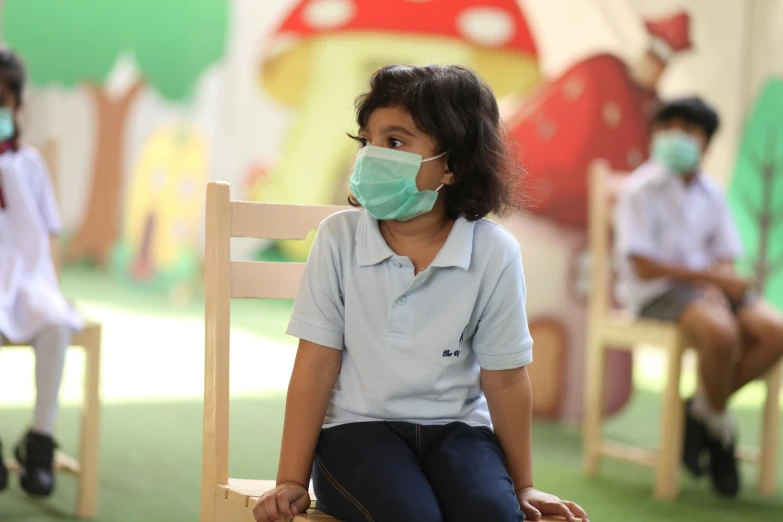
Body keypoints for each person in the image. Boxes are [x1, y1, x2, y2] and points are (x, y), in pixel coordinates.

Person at [252, 65, 589, 522]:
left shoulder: (494, 251)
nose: (371, 156)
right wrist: (291, 480)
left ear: (453, 164)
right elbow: (315, 364)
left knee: (492, 514)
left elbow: (506, 379)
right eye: (367, 141)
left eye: (394, 142)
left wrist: (522, 487)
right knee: (411, 516)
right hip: (356, 432)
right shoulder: (337, 239)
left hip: (459, 432)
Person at [614, 96, 783, 497]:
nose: (676, 137)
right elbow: (642, 266)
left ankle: (701, 409)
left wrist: (719, 280)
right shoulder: (639, 189)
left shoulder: (712, 192)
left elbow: (726, 252)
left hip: (707, 285)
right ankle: (720, 430)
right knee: (721, 335)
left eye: (688, 130)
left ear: (707, 143)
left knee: (775, 332)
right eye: (667, 127)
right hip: (658, 292)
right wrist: (708, 277)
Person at [0, 46, 83, 497]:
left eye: (3, 99)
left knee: (54, 322)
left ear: (18, 105)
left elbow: (49, 231)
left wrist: (53, 285)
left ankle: (39, 438)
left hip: (28, 278)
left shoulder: (29, 164)